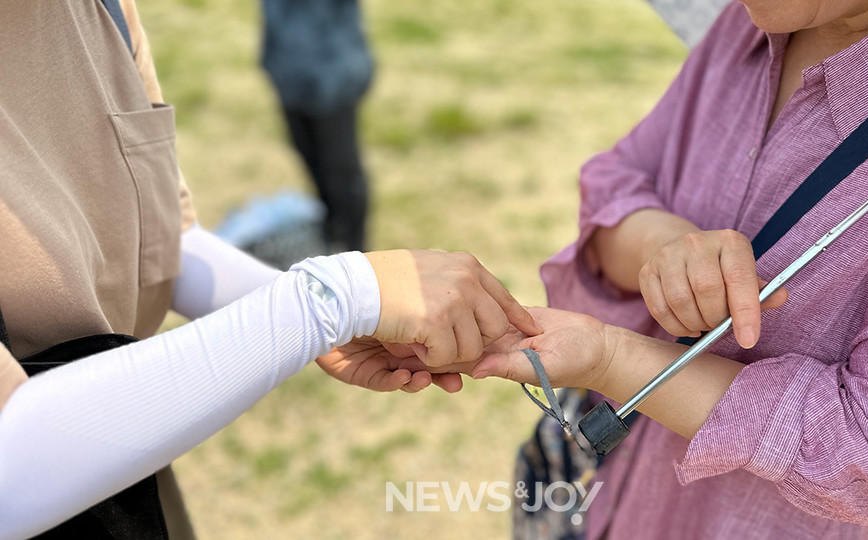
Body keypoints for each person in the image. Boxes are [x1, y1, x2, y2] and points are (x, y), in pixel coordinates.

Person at [330, 0, 868, 538]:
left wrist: (614, 359)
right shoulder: (750, 26)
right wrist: (665, 246)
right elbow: (617, 179)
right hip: (601, 496)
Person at [0, 2, 540, 538]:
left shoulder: (101, 9)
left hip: (128, 463)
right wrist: (331, 301)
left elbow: (165, 242)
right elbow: (10, 472)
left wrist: (342, 319)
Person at [260, 0, 374, 253]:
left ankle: (356, 252)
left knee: (341, 173)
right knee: (307, 154)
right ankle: (330, 231)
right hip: (286, 68)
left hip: (332, 72)